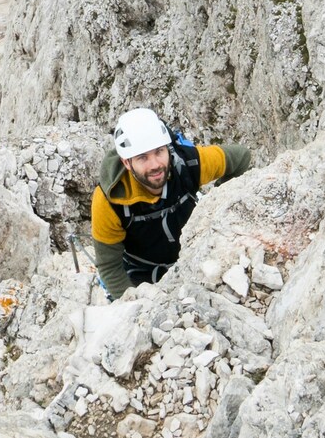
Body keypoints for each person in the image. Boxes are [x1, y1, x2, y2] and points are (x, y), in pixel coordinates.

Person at [90, 108, 252, 299]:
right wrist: (131, 304)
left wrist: (219, 205)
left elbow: (241, 158)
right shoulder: (110, 200)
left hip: (197, 261)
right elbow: (110, 266)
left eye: (159, 151)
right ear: (127, 163)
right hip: (142, 275)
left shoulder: (188, 164)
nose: (155, 165)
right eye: (143, 157)